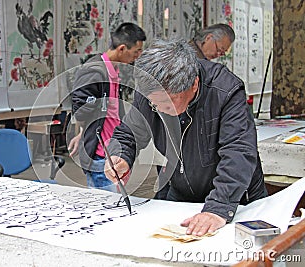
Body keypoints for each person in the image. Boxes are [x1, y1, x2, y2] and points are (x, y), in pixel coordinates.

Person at [104, 37, 268, 236]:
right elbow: (129, 133)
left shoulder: (225, 91)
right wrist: (119, 156)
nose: (159, 109)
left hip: (235, 197)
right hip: (180, 191)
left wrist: (218, 207)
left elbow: (238, 151)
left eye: (168, 102)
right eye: (154, 104)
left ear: (194, 84)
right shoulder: (150, 93)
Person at [69, 22, 146, 191]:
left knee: (115, 202)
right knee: (106, 209)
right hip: (100, 153)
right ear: (122, 49)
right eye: (136, 52)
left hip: (113, 148)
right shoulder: (94, 70)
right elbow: (80, 108)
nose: (138, 56)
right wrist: (86, 131)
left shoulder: (114, 69)